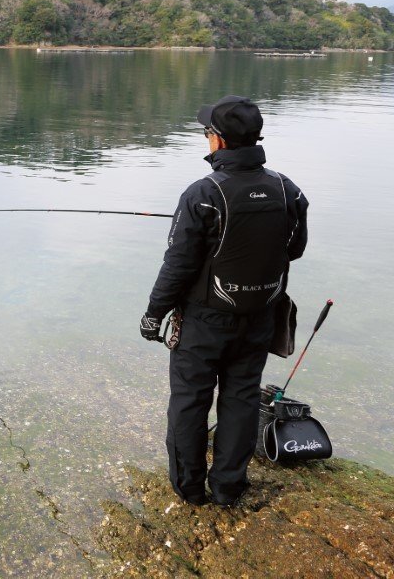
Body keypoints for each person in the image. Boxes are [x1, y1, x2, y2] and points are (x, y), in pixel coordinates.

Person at [140, 95, 308, 506]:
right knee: (241, 399)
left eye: (207, 132)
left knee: (190, 403)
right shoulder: (288, 189)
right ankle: (229, 488)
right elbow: (295, 248)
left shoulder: (202, 194)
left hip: (203, 323)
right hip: (260, 318)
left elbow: (177, 265)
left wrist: (153, 315)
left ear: (218, 141)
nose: (206, 138)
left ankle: (189, 489)